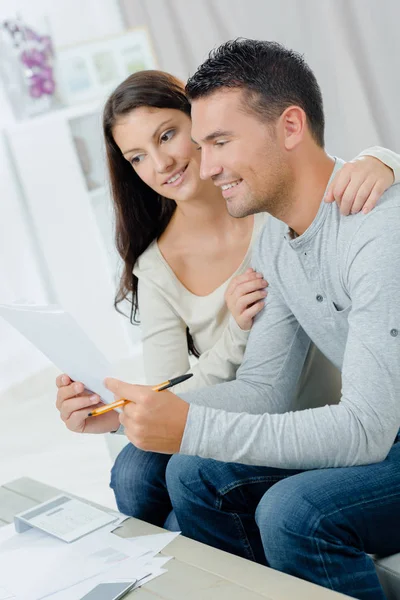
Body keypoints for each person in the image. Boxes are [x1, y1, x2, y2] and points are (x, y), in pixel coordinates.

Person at [103, 42, 400, 600]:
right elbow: (264, 387)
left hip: (378, 429)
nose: (204, 165)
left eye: (217, 142)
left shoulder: (378, 228)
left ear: (290, 127)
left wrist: (191, 427)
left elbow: (364, 429)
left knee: (295, 512)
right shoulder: (275, 242)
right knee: (192, 474)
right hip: (381, 431)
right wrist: (126, 412)